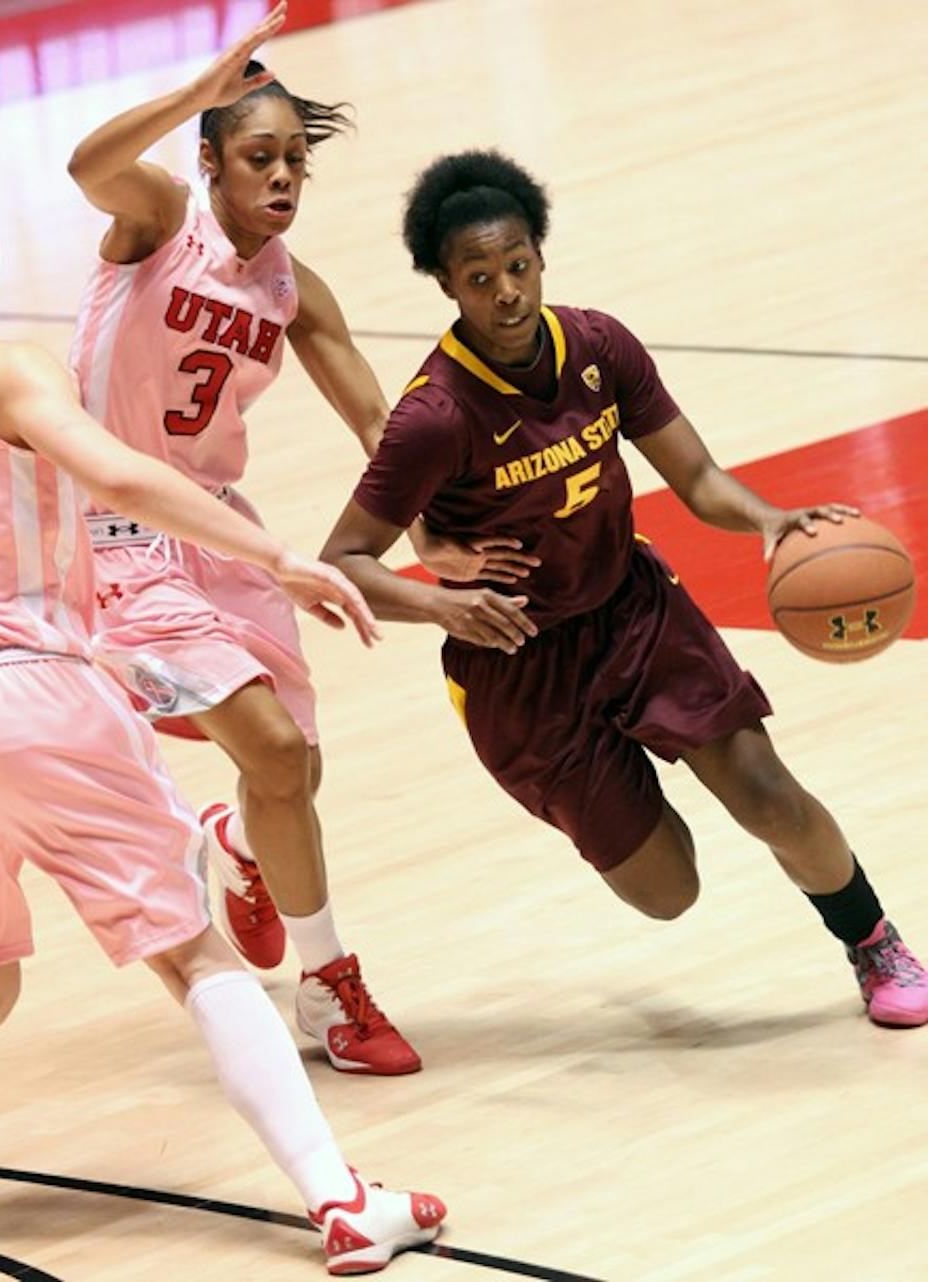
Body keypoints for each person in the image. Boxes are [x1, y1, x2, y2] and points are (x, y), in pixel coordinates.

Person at [0, 155, 445, 1275]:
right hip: (32, 690)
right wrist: (274, 554)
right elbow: (119, 479)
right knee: (195, 959)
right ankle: (340, 1198)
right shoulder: (0, 369)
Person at [320, 148, 928, 1030]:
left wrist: (767, 521)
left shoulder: (598, 345)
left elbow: (700, 478)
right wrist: (440, 600)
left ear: (541, 253)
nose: (506, 293)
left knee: (765, 790)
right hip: (518, 667)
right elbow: (343, 561)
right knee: (667, 890)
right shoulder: (435, 417)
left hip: (631, 610)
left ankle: (873, 942)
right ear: (447, 285)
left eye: (518, 265)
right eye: (480, 276)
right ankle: (615, 781)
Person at [66, 3, 533, 1075]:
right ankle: (330, 994)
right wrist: (196, 89)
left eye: (294, 162)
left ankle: (237, 852)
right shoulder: (157, 223)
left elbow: (378, 424)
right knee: (271, 747)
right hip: (117, 528)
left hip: (223, 529)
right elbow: (89, 165)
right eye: (259, 158)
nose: (280, 179)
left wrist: (435, 543)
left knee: (296, 771)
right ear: (212, 163)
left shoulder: (289, 286)